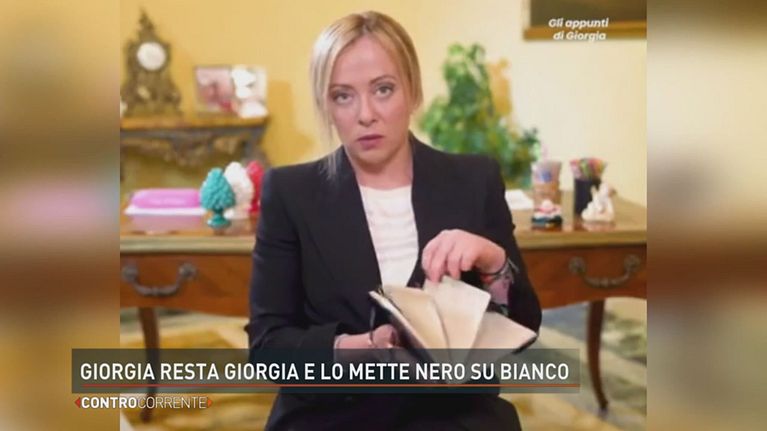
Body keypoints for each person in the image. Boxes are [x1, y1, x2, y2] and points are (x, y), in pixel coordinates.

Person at [246, 10, 541, 430]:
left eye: (383, 89)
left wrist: (494, 263)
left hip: (453, 417)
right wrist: (367, 347)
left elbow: (523, 331)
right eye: (343, 96)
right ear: (326, 106)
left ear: (413, 91)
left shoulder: (474, 181)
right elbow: (268, 349)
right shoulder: (291, 193)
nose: (366, 114)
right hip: (331, 417)